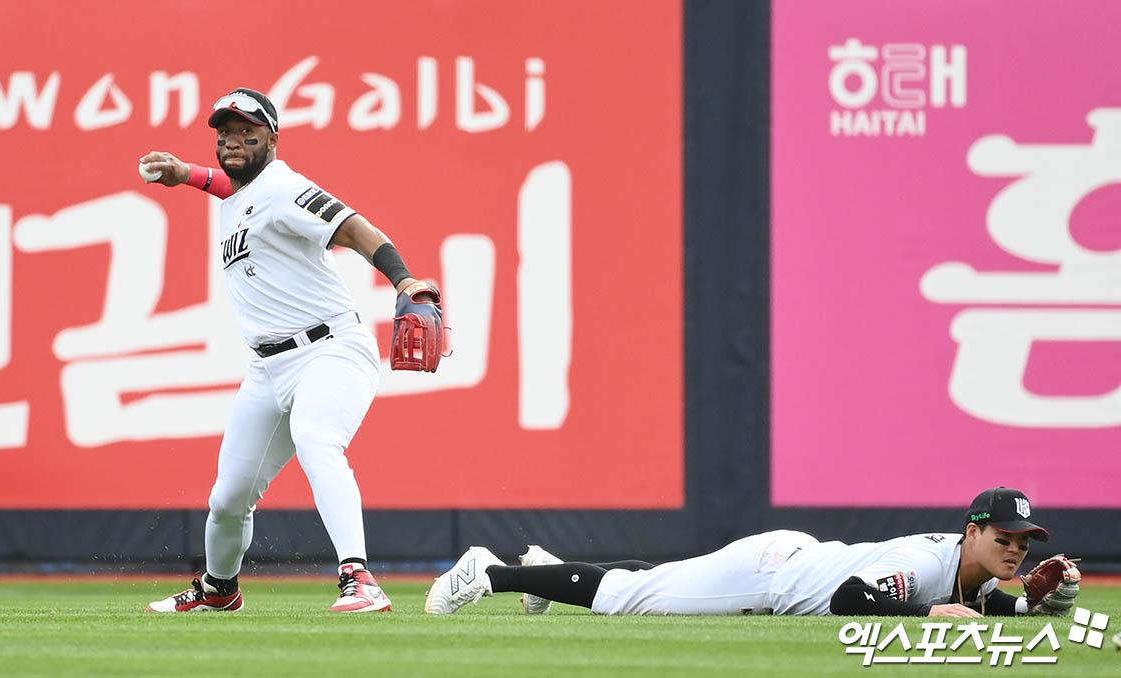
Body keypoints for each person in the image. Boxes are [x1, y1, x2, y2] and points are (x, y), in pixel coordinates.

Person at [140, 88, 442, 613]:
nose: (234, 141)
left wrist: (404, 280)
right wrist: (185, 173)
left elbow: (354, 227)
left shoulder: (284, 186)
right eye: (224, 132)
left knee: (317, 438)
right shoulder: (243, 192)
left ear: (273, 137)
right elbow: (233, 188)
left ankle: (360, 578)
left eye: (247, 130)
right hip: (268, 367)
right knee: (229, 498)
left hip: (330, 349)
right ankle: (219, 588)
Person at [425, 487, 1081, 617]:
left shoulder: (968, 571)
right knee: (630, 599)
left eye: (1024, 544)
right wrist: (934, 617)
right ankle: (492, 572)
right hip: (772, 577)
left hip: (790, 560)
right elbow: (857, 598)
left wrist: (1031, 610)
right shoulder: (932, 566)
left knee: (666, 578)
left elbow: (986, 603)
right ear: (972, 532)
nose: (1014, 552)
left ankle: (544, 571)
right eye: (1004, 539)